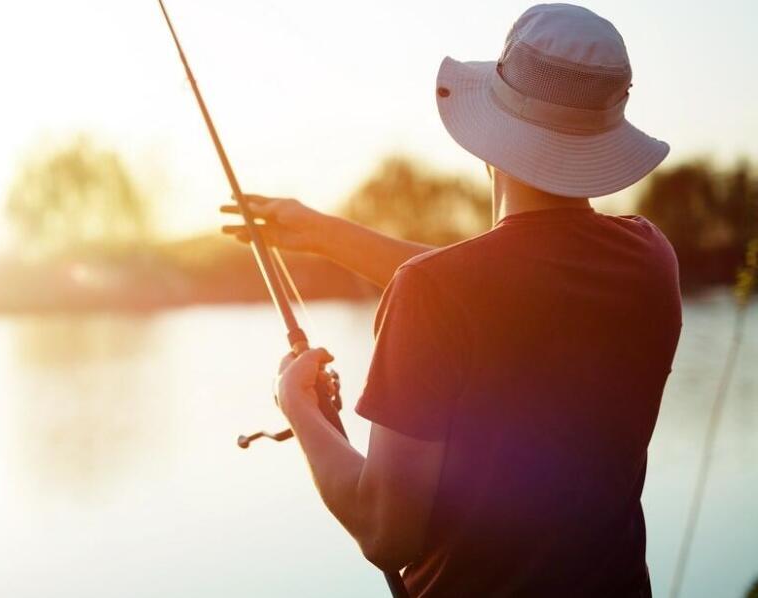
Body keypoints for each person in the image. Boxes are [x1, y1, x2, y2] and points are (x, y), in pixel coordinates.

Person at [220, 4, 681, 596]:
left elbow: (385, 531)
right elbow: (497, 286)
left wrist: (298, 408)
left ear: (490, 135)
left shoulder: (435, 291)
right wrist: (323, 234)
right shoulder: (650, 258)